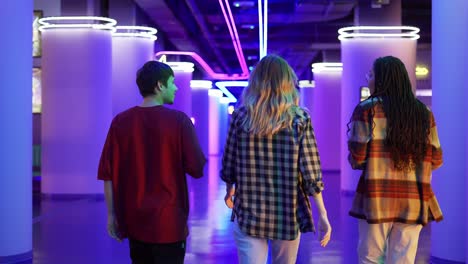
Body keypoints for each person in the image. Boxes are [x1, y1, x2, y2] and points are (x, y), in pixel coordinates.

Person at [221, 54, 332, 264]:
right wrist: (323, 214)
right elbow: (311, 172)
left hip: (249, 212)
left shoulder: (240, 116)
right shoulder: (299, 119)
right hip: (287, 214)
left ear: (256, 82)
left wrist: (230, 189)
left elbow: (229, 162)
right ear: (287, 83)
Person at [97, 61, 206, 264]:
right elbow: (197, 168)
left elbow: (107, 174)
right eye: (172, 82)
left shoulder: (121, 122)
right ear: (159, 86)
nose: (176, 87)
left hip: (135, 221)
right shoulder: (179, 121)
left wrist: (112, 215)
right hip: (169, 223)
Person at [347, 56, 443, 264]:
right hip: (414, 199)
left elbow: (357, 158)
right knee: (403, 260)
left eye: (370, 75)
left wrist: (377, 162)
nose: (368, 79)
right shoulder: (424, 113)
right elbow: (436, 159)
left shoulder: (366, 110)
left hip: (377, 197)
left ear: (381, 79)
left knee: (370, 258)